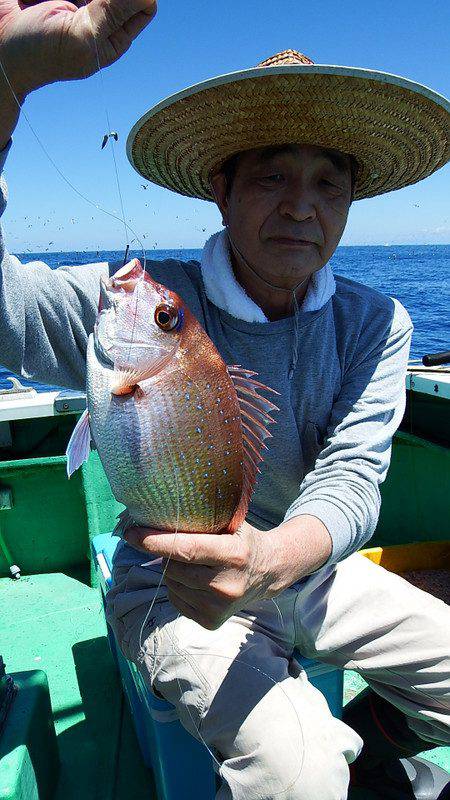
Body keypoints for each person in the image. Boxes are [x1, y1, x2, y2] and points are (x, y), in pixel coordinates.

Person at [0, 2, 449, 798]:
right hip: (166, 581)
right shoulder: (138, 306)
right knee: (297, 771)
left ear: (351, 199)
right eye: (272, 176)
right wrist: (4, 83)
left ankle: (376, 755)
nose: (302, 207)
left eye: (327, 183)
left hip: (302, 567)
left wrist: (271, 560)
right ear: (220, 188)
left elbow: (351, 481)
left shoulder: (376, 323)